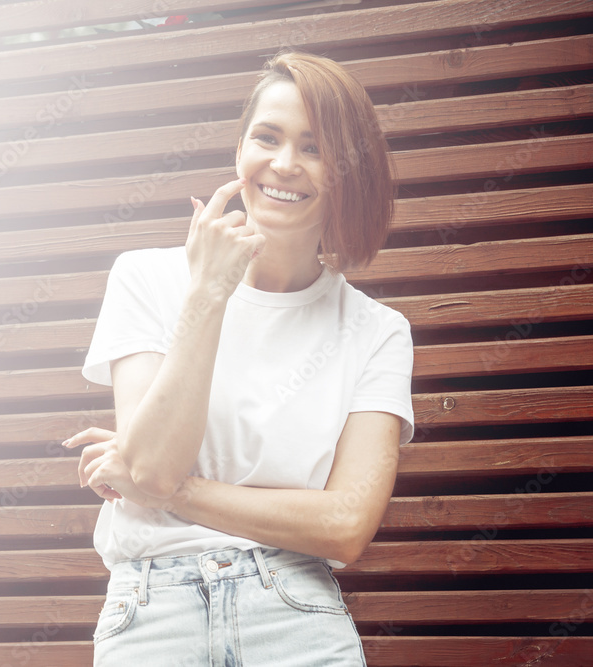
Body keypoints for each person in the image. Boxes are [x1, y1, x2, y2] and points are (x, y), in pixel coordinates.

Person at [62, 50, 415, 666]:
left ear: (347, 172)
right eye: (268, 137)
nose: (284, 164)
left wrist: (174, 491)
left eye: (314, 147)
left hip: (297, 616)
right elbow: (150, 465)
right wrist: (207, 295)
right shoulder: (145, 278)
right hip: (152, 614)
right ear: (239, 151)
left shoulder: (377, 331)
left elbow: (344, 527)